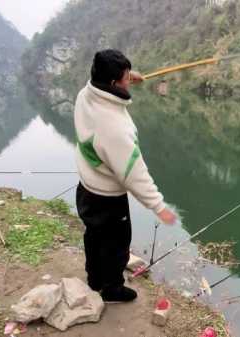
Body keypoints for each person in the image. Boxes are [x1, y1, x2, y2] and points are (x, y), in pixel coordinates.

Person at [74, 49, 177, 303]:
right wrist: (159, 206)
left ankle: (94, 278)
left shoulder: (85, 96)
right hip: (108, 199)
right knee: (116, 245)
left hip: (86, 188)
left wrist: (131, 77)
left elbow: (106, 86)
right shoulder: (115, 127)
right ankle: (111, 289)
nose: (128, 81)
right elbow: (134, 175)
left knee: (94, 235)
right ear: (112, 83)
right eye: (125, 78)